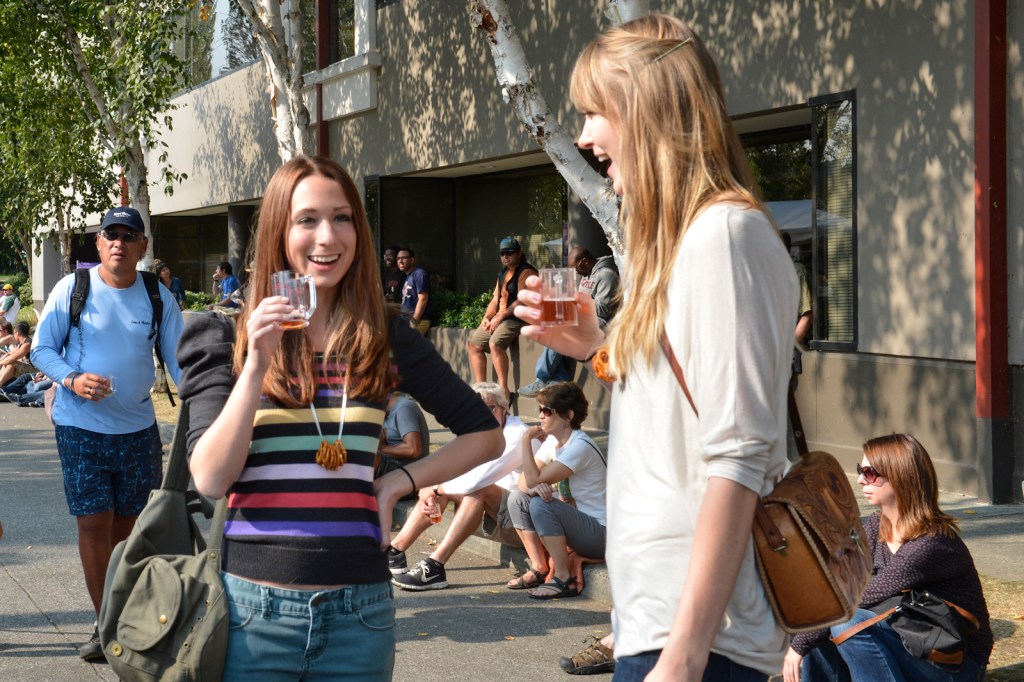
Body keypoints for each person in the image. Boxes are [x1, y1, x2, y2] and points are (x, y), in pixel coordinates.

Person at [515, 15, 797, 679]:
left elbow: (739, 457)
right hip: (660, 626)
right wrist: (596, 345)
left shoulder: (724, 237)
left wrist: (685, 652)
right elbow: (678, 412)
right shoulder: (688, 243)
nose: (585, 136)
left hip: (698, 643)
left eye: (594, 111)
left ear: (647, 108)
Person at [176, 154, 503, 681]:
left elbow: (485, 435)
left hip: (360, 615)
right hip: (252, 616)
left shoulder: (385, 336)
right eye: (307, 219)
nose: (327, 237)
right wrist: (257, 364)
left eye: (342, 218)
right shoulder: (223, 338)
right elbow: (211, 479)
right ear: (279, 230)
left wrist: (395, 484)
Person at [30, 205, 184, 661]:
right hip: (81, 426)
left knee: (129, 527)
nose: (119, 242)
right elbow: (41, 349)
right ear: (98, 243)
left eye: (128, 235)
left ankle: (125, 614)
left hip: (138, 429)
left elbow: (180, 362)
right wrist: (73, 379)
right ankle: (106, 624)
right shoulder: (73, 288)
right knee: (93, 522)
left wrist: (212, 398)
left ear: (142, 246)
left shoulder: (157, 295)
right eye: (110, 234)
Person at [784, 433, 992, 682]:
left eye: (870, 473)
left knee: (847, 621)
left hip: (954, 662)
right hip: (908, 639)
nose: (860, 480)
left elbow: (857, 598)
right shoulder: (876, 526)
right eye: (860, 470)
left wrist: (798, 647)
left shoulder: (931, 544)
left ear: (900, 477)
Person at [389, 382, 531, 591]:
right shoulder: (478, 432)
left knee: (477, 490)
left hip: (525, 525)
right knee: (441, 486)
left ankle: (435, 565)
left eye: (489, 408)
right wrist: (431, 489)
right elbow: (450, 466)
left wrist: (436, 488)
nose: (482, 415)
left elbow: (477, 480)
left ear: (503, 408)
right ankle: (394, 552)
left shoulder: (517, 435)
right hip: (494, 515)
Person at [505, 382, 606, 600]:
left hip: (600, 532)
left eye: (547, 410)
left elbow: (532, 478)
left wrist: (526, 440)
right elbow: (524, 483)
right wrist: (537, 484)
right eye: (540, 409)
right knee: (517, 498)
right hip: (578, 524)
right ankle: (539, 567)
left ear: (568, 416)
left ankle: (563, 578)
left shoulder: (580, 446)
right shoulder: (553, 440)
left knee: (541, 504)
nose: (540, 415)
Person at [519, 246, 619, 397]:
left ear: (585, 262)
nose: (576, 272)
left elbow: (604, 310)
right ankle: (557, 378)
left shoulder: (606, 275)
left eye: (576, 268)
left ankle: (543, 379)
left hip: (604, 323)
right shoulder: (587, 274)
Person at [467, 237, 538, 399]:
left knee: (495, 344)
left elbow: (522, 300)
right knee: (473, 344)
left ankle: (503, 390)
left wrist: (499, 318)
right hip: (502, 317)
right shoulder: (503, 273)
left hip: (520, 317)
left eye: (510, 253)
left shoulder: (527, 272)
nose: (505, 256)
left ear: (518, 253)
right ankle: (482, 390)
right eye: (502, 253)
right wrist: (486, 317)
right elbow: (495, 299)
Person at [376, 391, 431, 478]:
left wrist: (383, 448)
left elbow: (413, 450)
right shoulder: (384, 413)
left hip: (408, 472)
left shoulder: (403, 409)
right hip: (395, 468)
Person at [397, 247, 432, 335]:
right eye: (398, 258)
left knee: (406, 342)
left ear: (412, 260)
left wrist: (414, 321)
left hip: (419, 320)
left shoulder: (419, 274)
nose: (400, 261)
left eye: (404, 258)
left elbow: (423, 299)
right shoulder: (406, 277)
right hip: (406, 320)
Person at [0, 321, 32, 387]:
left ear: (17, 333)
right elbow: (10, 354)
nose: (13, 335)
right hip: (26, 367)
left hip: (34, 370)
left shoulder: (27, 344)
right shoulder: (21, 344)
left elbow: (12, 358)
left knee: (12, 364)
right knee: (7, 362)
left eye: (14, 333)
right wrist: (2, 360)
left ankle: (0, 384)